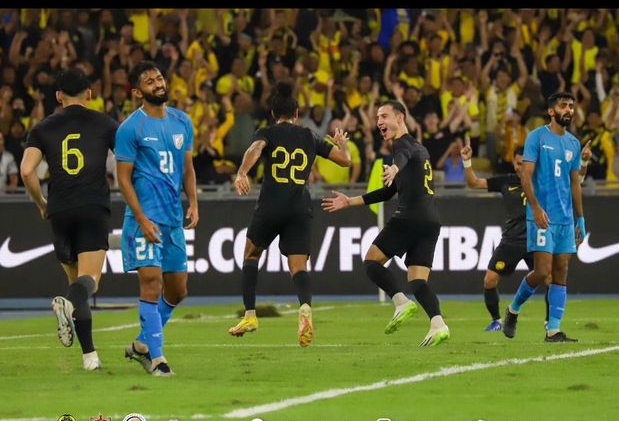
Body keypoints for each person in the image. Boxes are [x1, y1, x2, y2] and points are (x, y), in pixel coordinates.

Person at [228, 81, 351, 347]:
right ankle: (305, 307)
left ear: (273, 114)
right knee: (298, 267)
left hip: (271, 205)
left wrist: (242, 172)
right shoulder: (309, 136)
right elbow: (345, 161)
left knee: (251, 254)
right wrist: (342, 144)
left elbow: (255, 150)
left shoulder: (267, 133)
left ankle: (250, 315)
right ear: (297, 113)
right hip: (299, 207)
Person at [321, 101, 449, 347]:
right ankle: (438, 324)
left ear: (400, 118)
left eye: (385, 115)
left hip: (409, 216)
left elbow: (402, 156)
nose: (379, 121)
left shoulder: (402, 146)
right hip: (430, 221)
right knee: (418, 281)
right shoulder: (419, 148)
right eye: (377, 116)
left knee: (371, 261)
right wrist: (350, 201)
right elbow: (387, 193)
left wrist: (394, 167)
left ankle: (401, 302)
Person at [20, 68, 118, 371]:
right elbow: (129, 162)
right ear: (90, 94)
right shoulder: (105, 123)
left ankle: (90, 357)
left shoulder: (42, 127)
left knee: (75, 282)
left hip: (60, 210)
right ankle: (67, 307)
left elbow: (26, 171)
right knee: (90, 283)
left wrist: (41, 203)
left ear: (59, 95)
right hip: (92, 206)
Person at [116, 61, 199, 376]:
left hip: (173, 219)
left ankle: (141, 344)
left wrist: (193, 202)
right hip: (143, 219)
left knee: (178, 291)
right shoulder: (130, 128)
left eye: (160, 77)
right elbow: (123, 179)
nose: (158, 83)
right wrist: (141, 217)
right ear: (138, 92)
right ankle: (157, 358)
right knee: (151, 283)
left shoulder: (182, 121)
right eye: (150, 81)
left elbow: (188, 169)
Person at [462, 140, 592, 332]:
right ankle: (497, 320)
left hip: (538, 235)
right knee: (489, 280)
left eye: (523, 162)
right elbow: (473, 183)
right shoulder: (506, 181)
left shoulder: (544, 180)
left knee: (548, 278)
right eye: (517, 163)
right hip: (512, 240)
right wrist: (467, 162)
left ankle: (549, 322)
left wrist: (584, 162)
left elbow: (576, 180)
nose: (519, 166)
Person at [503, 92, 586, 342]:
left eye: (571, 106)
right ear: (551, 111)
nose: (568, 110)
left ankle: (554, 330)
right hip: (541, 217)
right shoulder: (536, 138)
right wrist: (536, 209)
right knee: (541, 272)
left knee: (561, 272)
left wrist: (580, 219)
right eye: (563, 106)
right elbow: (526, 176)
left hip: (565, 219)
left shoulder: (573, 143)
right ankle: (513, 309)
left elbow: (575, 183)